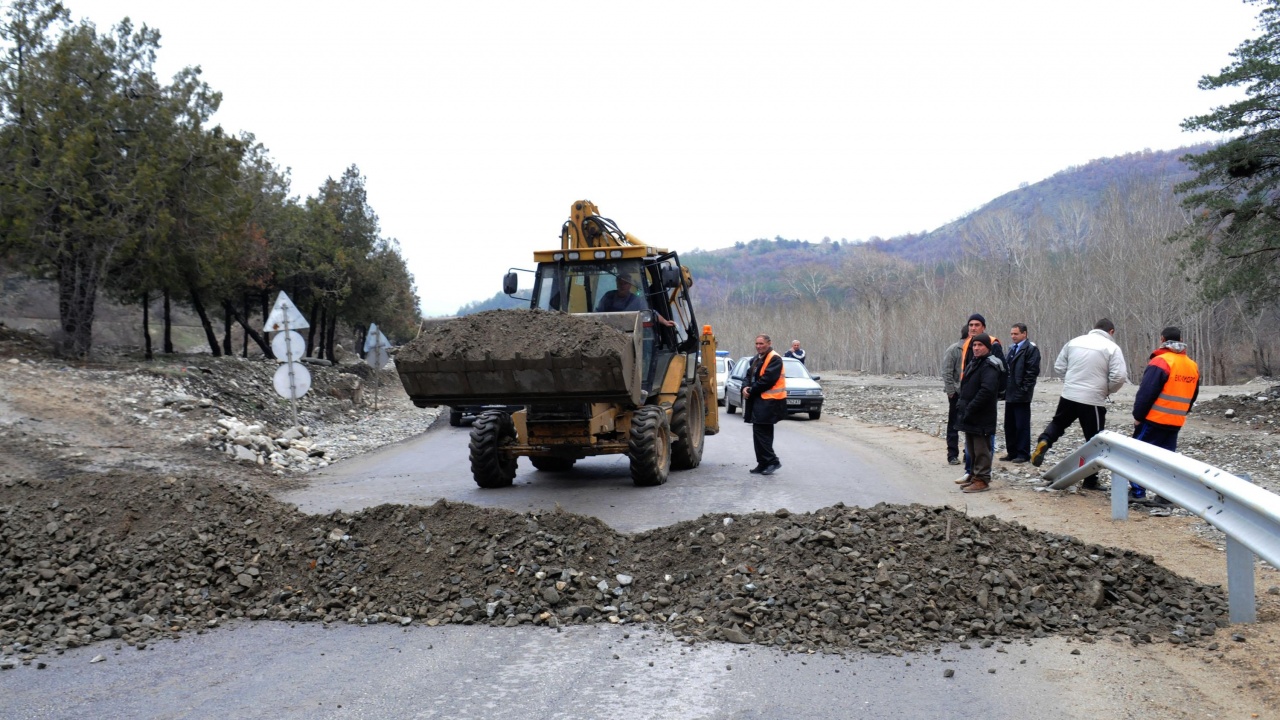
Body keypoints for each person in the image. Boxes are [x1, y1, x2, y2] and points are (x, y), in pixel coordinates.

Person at [1029, 318, 1129, 490]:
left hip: (1069, 394)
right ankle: (1090, 480)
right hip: (1093, 399)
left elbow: (1059, 367)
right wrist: (1107, 390)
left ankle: (1045, 440)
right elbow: (1119, 376)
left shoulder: (1074, 342)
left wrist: (1073, 379)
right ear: (1111, 332)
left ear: (1094, 328)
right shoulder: (1112, 348)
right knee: (1095, 439)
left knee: (1058, 423)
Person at [1129, 326, 1200, 505]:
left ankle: (1137, 493)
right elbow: (1193, 395)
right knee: (1167, 459)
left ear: (1162, 339)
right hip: (1175, 421)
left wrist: (1138, 416)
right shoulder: (1192, 365)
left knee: (1139, 456)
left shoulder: (1161, 362)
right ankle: (1165, 495)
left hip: (1154, 419)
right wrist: (1182, 412)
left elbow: (1146, 392)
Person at [955, 333, 1003, 493]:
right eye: (974, 345)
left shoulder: (989, 365)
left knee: (982, 449)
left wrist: (971, 407)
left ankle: (982, 479)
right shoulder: (975, 362)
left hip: (982, 415)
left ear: (987, 348)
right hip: (971, 414)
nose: (976, 348)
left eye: (980, 345)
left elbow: (987, 391)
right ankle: (975, 476)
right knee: (972, 448)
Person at [742, 333, 786, 476]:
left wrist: (751, 390)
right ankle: (762, 463)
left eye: (761, 344)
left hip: (770, 402)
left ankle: (772, 461)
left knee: (763, 434)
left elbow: (767, 380)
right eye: (757, 344)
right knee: (758, 433)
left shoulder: (775, 358)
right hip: (759, 401)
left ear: (769, 343)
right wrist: (744, 387)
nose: (758, 346)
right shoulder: (756, 359)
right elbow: (748, 376)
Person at [1000, 323, 1041, 463]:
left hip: (1021, 395)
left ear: (1024, 334)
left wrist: (1024, 390)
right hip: (1010, 393)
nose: (1013, 336)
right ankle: (1012, 452)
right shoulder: (1012, 349)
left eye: (1016, 334)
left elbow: (1032, 372)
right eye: (1011, 334)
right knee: (1009, 425)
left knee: (1021, 426)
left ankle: (1023, 453)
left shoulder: (1030, 349)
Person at [941, 325, 967, 466]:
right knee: (953, 424)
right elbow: (947, 372)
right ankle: (952, 455)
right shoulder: (954, 350)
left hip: (970, 394)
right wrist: (951, 392)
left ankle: (967, 454)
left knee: (969, 425)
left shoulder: (975, 349)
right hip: (956, 394)